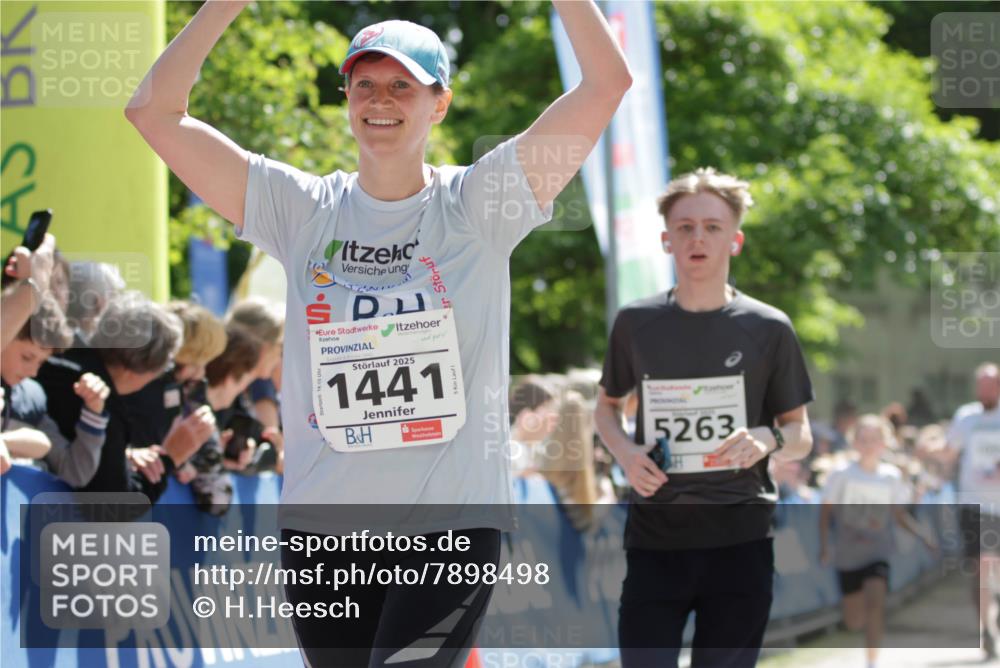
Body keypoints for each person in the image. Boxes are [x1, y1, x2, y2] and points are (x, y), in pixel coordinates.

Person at [125, 1, 630, 664]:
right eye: (364, 84)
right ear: (347, 99)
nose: (380, 101)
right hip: (322, 530)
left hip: (447, 528)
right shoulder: (303, 210)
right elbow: (153, 113)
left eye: (403, 85)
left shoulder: (480, 204)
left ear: (439, 104)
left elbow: (605, 84)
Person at [593, 167, 815, 667]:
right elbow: (605, 409)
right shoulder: (635, 322)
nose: (698, 238)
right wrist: (626, 453)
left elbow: (801, 434)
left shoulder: (769, 327)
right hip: (655, 539)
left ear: (734, 241)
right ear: (666, 240)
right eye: (686, 227)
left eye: (712, 227)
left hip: (740, 541)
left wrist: (768, 438)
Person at [35, 294, 207, 501]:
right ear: (141, 369)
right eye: (166, 367)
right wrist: (171, 456)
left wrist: (124, 455)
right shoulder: (99, 400)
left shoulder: (56, 359)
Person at [819, 414, 937, 668]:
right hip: (848, 555)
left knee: (876, 603)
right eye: (863, 439)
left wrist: (922, 535)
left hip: (878, 551)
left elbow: (897, 514)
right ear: (854, 442)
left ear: (884, 443)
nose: (869, 444)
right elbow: (826, 511)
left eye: (874, 439)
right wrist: (825, 546)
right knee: (854, 621)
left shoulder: (890, 477)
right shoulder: (842, 475)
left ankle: (872, 663)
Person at [1, 297, 112, 487]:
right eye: (27, 357)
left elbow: (74, 472)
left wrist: (93, 410)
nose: (33, 372)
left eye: (41, 362)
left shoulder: (31, 397)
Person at [945, 362, 1000, 659]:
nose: (984, 390)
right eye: (981, 384)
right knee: (981, 567)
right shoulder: (966, 417)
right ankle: (987, 631)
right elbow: (950, 453)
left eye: (990, 384)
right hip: (973, 504)